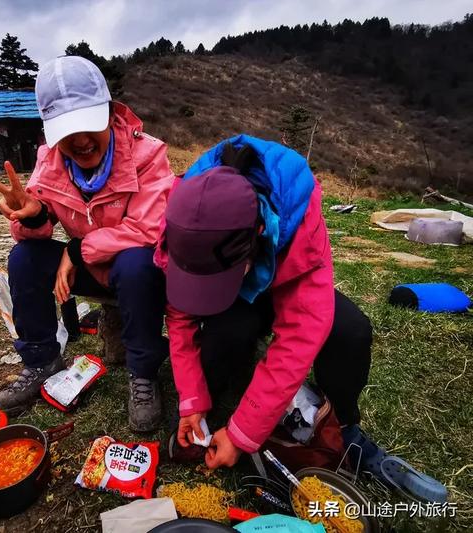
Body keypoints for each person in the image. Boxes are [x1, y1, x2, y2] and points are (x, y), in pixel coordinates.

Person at [154, 136, 447, 499]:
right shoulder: (184, 218)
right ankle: (210, 410)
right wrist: (191, 400)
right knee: (225, 333)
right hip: (240, 296)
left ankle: (344, 429)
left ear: (258, 236)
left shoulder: (298, 211)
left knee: (349, 331)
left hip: (285, 282)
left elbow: (302, 331)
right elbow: (181, 317)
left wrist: (243, 432)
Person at [0, 56, 174, 432]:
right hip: (86, 267)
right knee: (24, 257)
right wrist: (32, 216)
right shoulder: (49, 163)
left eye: (89, 124)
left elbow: (150, 229)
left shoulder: (147, 155)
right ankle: (41, 361)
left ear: (109, 112)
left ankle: (143, 373)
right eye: (68, 130)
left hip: (133, 271)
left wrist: (76, 251)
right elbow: (39, 223)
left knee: (137, 263)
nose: (81, 140)